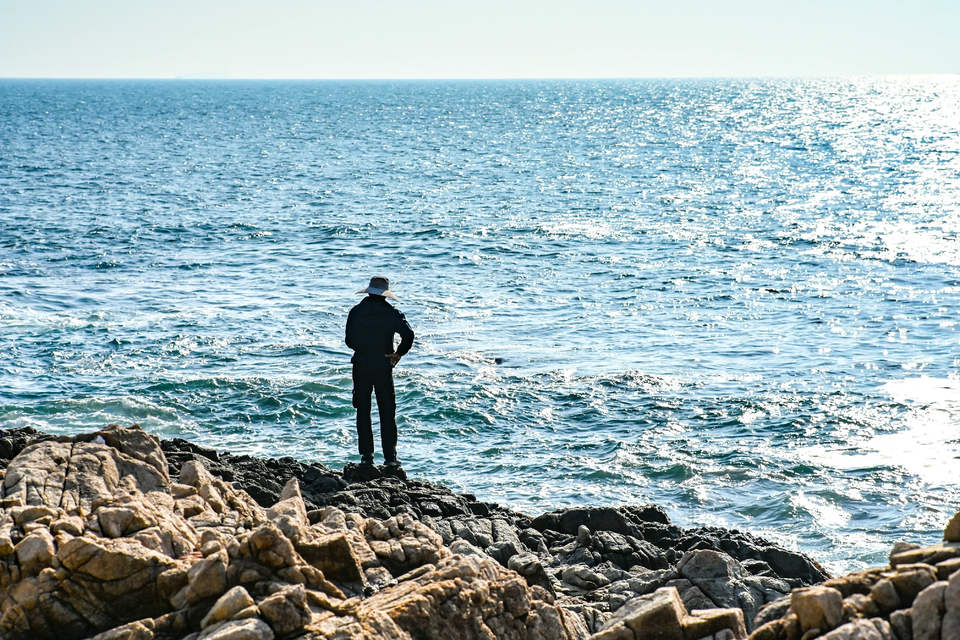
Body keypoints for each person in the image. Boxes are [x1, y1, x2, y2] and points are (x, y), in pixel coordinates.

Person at [345, 276, 415, 476]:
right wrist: (398, 353)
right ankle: (391, 460)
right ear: (385, 293)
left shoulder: (356, 311)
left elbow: (349, 341)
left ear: (368, 291)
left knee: (363, 410)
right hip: (383, 366)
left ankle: (367, 456)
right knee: (387, 411)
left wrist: (363, 348)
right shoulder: (391, 313)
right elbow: (408, 335)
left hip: (361, 365)